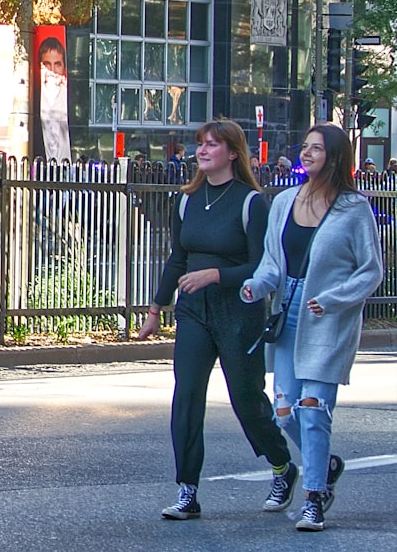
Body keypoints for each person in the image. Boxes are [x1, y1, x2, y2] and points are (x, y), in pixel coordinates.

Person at [138, 118, 294, 521]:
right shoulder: (187, 200)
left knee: (246, 400)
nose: (202, 151)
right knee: (187, 397)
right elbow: (178, 258)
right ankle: (187, 491)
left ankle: (281, 465)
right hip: (193, 313)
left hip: (238, 313)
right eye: (200, 144)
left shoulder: (250, 203)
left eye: (212, 145)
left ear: (233, 153)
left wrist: (217, 275)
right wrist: (156, 307)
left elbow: (263, 265)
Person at [241, 123, 383, 532]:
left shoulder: (353, 208)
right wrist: (257, 286)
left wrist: (336, 298)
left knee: (313, 410)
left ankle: (314, 497)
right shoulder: (285, 202)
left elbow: (371, 270)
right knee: (285, 414)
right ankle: (328, 464)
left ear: (335, 157)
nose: (306, 153)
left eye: (316, 148)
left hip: (327, 318)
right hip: (288, 313)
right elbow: (272, 262)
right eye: (304, 147)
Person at [37, 36, 71, 162]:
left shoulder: (71, 98)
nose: (52, 70)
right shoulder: (33, 99)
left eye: (57, 65)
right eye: (47, 65)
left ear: (64, 68)